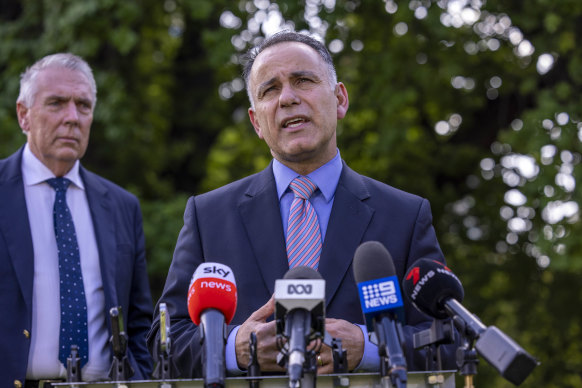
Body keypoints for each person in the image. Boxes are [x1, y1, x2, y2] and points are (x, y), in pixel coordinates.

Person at [148, 31, 456, 377]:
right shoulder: (208, 217)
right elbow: (164, 342)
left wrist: (371, 348)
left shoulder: (404, 216)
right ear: (256, 123)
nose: (288, 98)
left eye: (303, 80)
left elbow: (448, 341)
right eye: (270, 90)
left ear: (340, 99)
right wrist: (232, 347)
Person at [0, 53, 154, 387]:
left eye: (83, 106)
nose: (73, 117)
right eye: (56, 103)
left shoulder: (122, 206)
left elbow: (140, 321)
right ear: (23, 115)